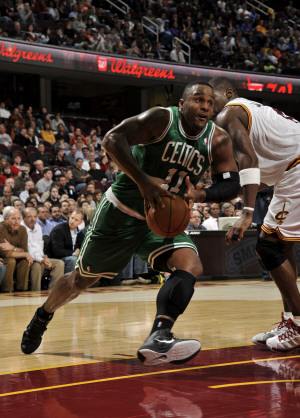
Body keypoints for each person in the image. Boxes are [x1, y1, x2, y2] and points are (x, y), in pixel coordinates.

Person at [21, 81, 239, 364]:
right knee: (81, 280)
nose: (206, 106)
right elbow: (112, 140)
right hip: (120, 214)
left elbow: (231, 183)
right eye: (199, 100)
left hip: (161, 222)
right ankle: (43, 315)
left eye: (211, 103)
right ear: (182, 104)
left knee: (190, 265)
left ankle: (159, 336)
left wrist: (199, 193)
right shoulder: (161, 119)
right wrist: (144, 182)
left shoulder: (218, 140)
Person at [210, 76, 300, 352]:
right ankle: (290, 320)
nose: (208, 106)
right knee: (278, 244)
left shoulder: (229, 113)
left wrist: (247, 213)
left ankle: (298, 324)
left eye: (210, 98)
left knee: (266, 246)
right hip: (290, 171)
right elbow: (257, 180)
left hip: (296, 169)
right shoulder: (252, 114)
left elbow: (249, 161)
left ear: (228, 93)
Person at [22, 207, 64, 291]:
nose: (33, 219)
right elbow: (28, 249)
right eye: (29, 216)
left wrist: (42, 256)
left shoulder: (37, 227)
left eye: (35, 216)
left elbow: (39, 244)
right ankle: (36, 292)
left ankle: (53, 291)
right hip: (27, 258)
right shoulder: (21, 228)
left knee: (59, 263)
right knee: (38, 266)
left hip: (39, 257)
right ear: (23, 218)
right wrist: (41, 259)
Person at [0, 207, 32, 292]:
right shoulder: (1, 228)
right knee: (11, 261)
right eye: (13, 218)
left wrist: (12, 248)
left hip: (13, 256)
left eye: (19, 218)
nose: (16, 222)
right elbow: (4, 253)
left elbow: (24, 249)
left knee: (25, 262)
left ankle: (22, 290)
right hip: (2, 258)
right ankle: (6, 290)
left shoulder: (22, 229)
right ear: (7, 219)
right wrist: (24, 253)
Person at [46, 209, 85, 273]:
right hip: (56, 258)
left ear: (80, 222)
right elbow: (57, 251)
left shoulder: (79, 234)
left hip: (69, 257)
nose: (72, 221)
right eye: (72, 218)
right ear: (69, 216)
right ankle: (67, 282)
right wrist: (74, 253)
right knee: (73, 259)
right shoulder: (59, 230)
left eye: (76, 220)